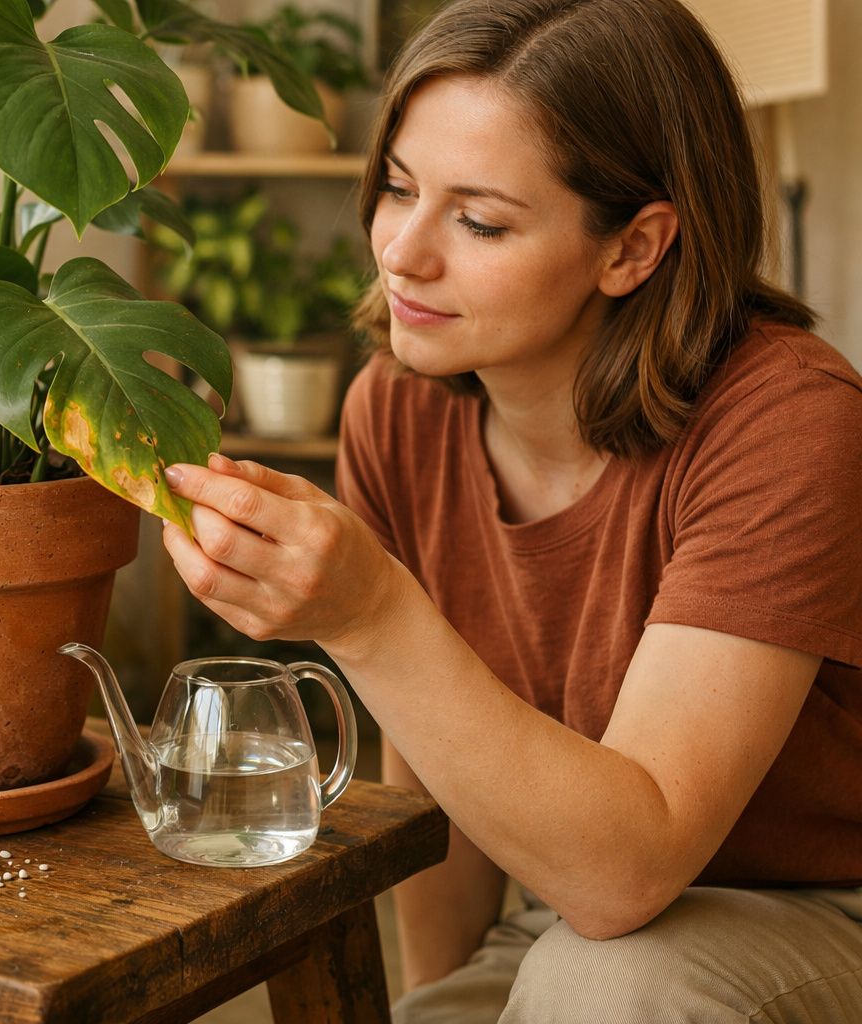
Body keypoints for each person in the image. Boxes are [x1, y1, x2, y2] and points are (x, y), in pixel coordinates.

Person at [158, 0, 862, 1020]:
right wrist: (439, 1002)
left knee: (608, 986)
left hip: (820, 906)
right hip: (569, 907)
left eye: (479, 220)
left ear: (634, 248)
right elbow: (445, 773)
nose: (401, 252)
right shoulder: (396, 408)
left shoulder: (788, 422)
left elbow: (633, 866)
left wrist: (370, 615)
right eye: (398, 187)